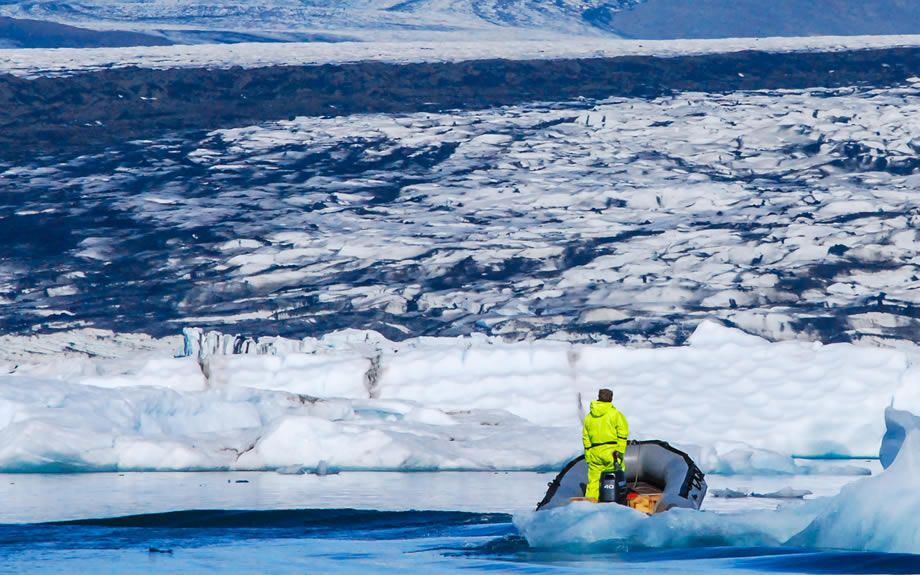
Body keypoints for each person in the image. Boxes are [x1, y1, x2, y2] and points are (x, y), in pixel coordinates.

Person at [582, 388, 628, 501]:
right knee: (616, 477)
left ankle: (590, 503)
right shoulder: (615, 414)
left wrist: (588, 455)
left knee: (593, 481)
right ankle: (615, 502)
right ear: (611, 398)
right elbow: (623, 433)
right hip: (612, 452)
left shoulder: (589, 417)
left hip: (595, 453)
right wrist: (620, 451)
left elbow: (586, 438)